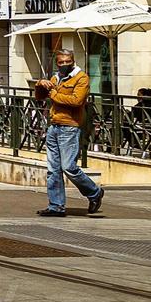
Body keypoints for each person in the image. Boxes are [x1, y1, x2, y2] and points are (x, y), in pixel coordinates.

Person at [35, 48, 105, 218]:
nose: (64, 64)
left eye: (67, 61)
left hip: (70, 126)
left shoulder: (81, 78)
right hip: (54, 126)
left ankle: (94, 192)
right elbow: (40, 98)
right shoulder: (55, 77)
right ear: (57, 63)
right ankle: (56, 206)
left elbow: (76, 101)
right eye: (61, 62)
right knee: (53, 170)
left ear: (73, 61)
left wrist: (53, 92)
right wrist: (40, 84)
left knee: (69, 167)